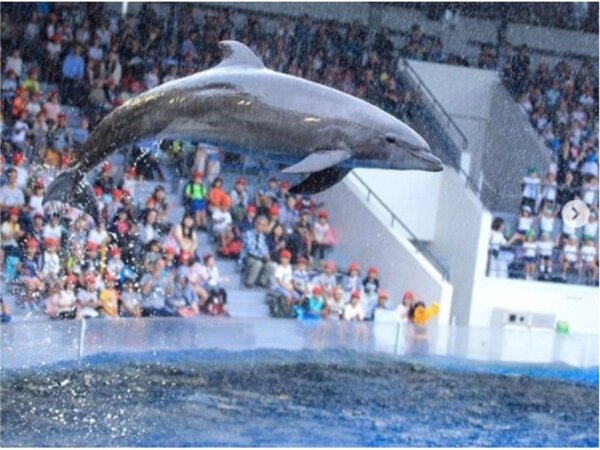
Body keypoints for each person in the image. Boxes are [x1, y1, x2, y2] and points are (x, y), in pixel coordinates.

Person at [240, 215, 270, 288]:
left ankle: (262, 282)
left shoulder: (262, 236)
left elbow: (264, 248)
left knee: (272, 265)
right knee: (258, 263)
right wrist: (262, 255)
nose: (262, 227)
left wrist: (267, 255)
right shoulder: (248, 234)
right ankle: (249, 282)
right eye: (260, 224)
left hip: (259, 258)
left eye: (264, 225)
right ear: (256, 224)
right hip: (247, 257)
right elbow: (250, 249)